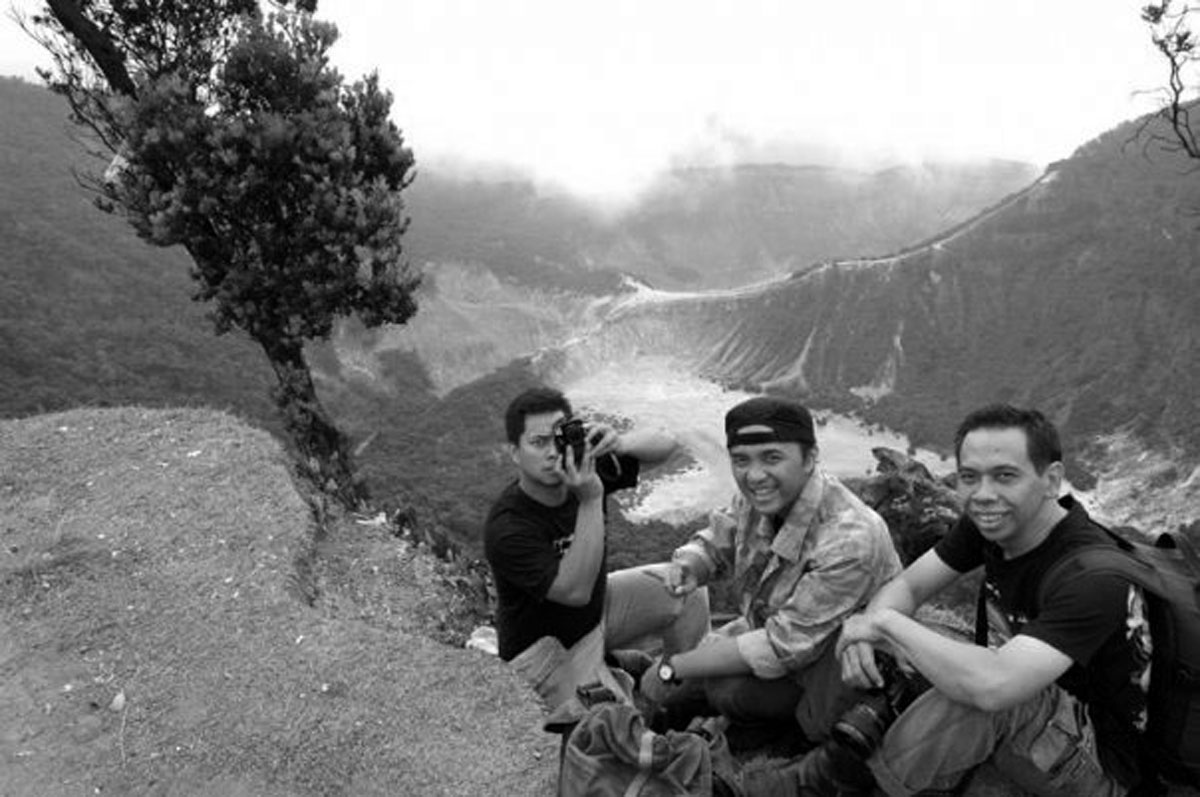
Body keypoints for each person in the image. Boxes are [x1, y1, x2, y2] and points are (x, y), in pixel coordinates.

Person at [823, 404, 1152, 796]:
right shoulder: (993, 524)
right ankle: (855, 739)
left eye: (1005, 476)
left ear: (1051, 481)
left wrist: (882, 624)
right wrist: (872, 632)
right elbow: (909, 588)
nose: (982, 495)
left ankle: (846, 780)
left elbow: (995, 686)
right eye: (969, 477)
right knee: (915, 638)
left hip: (1106, 763)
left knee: (984, 694)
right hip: (1052, 697)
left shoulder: (1092, 577)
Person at [646, 395, 902, 750]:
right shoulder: (763, 499)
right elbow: (723, 533)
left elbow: (781, 647)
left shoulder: (849, 537)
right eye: (741, 460)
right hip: (772, 633)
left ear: (809, 458)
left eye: (772, 458)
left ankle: (777, 735)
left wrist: (675, 667)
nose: (754, 476)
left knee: (723, 689)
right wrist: (691, 564)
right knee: (668, 690)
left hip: (827, 670)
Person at [483, 386, 710, 730]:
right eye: (538, 443)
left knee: (688, 588)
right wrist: (590, 499)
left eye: (557, 439)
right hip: (549, 651)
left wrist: (620, 443)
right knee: (615, 729)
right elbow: (574, 592)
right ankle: (617, 675)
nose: (551, 453)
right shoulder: (509, 526)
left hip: (597, 613)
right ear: (515, 452)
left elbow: (667, 445)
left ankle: (662, 687)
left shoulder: (582, 469)